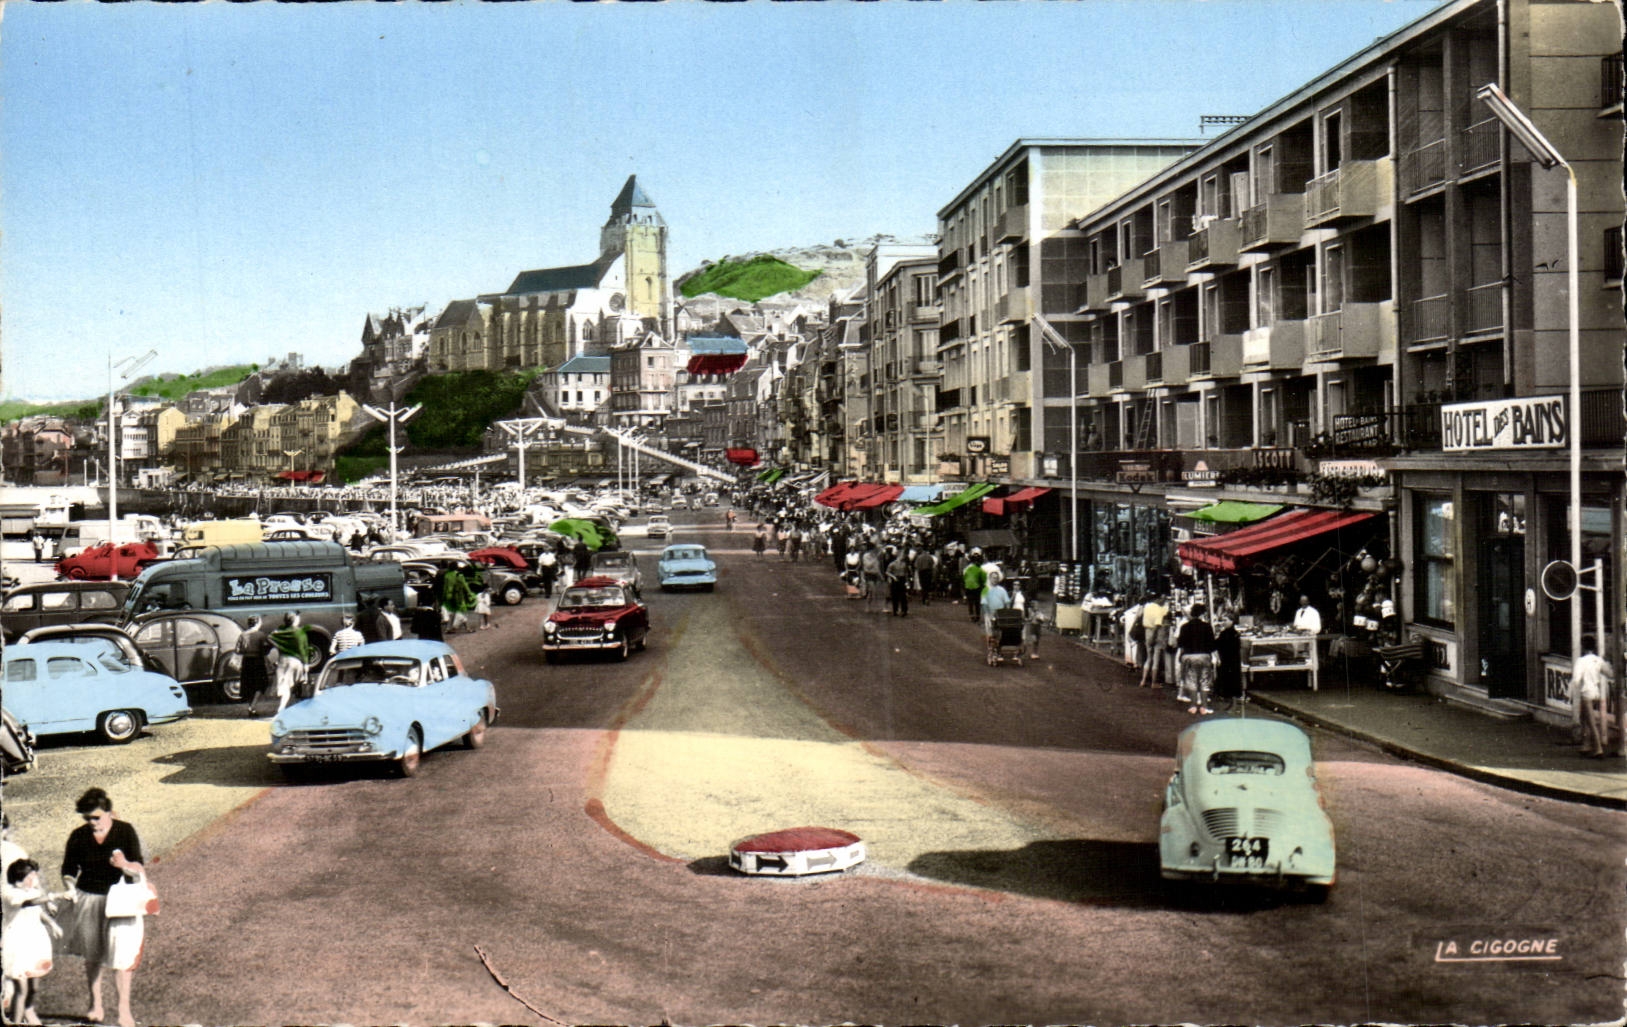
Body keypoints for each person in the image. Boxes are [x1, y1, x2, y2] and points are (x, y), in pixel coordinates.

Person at [60, 788, 145, 1027]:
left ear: (108, 812)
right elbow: (68, 869)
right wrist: (69, 885)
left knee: (123, 956)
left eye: (96, 817)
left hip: (121, 900)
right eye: (87, 818)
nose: (92, 823)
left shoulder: (125, 831)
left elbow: (139, 867)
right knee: (92, 954)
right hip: (89, 898)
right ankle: (95, 1003)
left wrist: (124, 864)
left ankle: (123, 1011)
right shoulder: (78, 835)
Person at [4, 857, 61, 1025]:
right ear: (21, 878)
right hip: (17, 945)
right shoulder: (9, 893)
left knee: (33, 987)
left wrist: (52, 924)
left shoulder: (32, 891)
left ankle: (28, 1012)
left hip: (35, 943)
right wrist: (54, 896)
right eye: (32, 876)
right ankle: (16, 1021)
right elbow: (29, 903)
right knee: (21, 989)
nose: (35, 879)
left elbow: (37, 909)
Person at [1571, 634, 1614, 757]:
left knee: (1590, 721)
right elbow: (1609, 674)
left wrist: (1573, 692)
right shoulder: (1598, 660)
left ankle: (1598, 748)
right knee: (1584, 718)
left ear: (1583, 647)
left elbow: (1576, 679)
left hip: (1586, 693)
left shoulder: (1581, 661)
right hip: (1596, 692)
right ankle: (1586, 744)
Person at [1174, 604, 1219, 715]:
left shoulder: (1184, 627)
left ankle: (1193, 706)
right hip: (1204, 656)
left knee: (1191, 681)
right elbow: (1212, 645)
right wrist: (1217, 658)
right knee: (1204, 681)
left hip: (1188, 656)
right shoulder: (1207, 626)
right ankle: (1204, 707)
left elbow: (1180, 644)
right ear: (1202, 614)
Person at [268, 612, 313, 713]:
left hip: (282, 660)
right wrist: (306, 664)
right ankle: (287, 707)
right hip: (295, 661)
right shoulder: (299, 632)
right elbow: (303, 650)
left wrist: (279, 646)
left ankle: (283, 706)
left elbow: (270, 637)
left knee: (285, 686)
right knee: (296, 684)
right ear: (295, 620)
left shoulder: (281, 631)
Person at [237, 615, 273, 715]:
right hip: (258, 661)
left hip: (246, 661)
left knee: (249, 685)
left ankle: (251, 707)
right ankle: (252, 707)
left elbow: (237, 650)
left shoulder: (243, 635)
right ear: (257, 623)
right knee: (262, 683)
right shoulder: (261, 635)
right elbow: (265, 650)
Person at [1139, 595, 1171, 688]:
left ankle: (1143, 680)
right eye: (1163, 599)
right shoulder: (1160, 610)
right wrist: (1154, 637)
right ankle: (1153, 683)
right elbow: (1157, 625)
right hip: (1156, 634)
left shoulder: (1147, 607)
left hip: (1147, 632)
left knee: (1149, 658)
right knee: (1155, 658)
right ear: (1159, 599)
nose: (1164, 601)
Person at [980, 568, 1012, 654]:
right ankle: (990, 650)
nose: (995, 579)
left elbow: (1007, 602)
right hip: (990, 614)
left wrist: (1007, 611)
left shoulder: (1002, 590)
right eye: (993, 578)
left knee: (1000, 633)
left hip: (1000, 614)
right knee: (991, 633)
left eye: (996, 578)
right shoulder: (985, 590)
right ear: (990, 579)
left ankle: (999, 650)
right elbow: (984, 604)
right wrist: (989, 614)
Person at [1214, 616, 1244, 705]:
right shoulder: (1227, 633)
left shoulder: (1232, 634)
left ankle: (1227, 693)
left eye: (1225, 620)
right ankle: (1231, 693)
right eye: (1223, 620)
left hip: (1229, 658)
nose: (1223, 622)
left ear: (1232, 621)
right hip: (1229, 658)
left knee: (1228, 674)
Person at [962, 551, 987, 623]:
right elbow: (983, 579)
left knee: (970, 602)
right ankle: (977, 616)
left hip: (968, 586)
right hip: (976, 587)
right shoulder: (980, 569)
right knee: (977, 602)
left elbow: (964, 577)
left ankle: (971, 615)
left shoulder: (967, 569)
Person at [885, 548, 911, 617]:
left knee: (903, 596)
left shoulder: (904, 564)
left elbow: (906, 573)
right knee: (894, 596)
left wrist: (907, 581)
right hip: (895, 579)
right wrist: (893, 577)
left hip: (902, 579)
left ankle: (904, 610)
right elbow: (887, 572)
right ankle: (895, 610)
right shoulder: (892, 564)